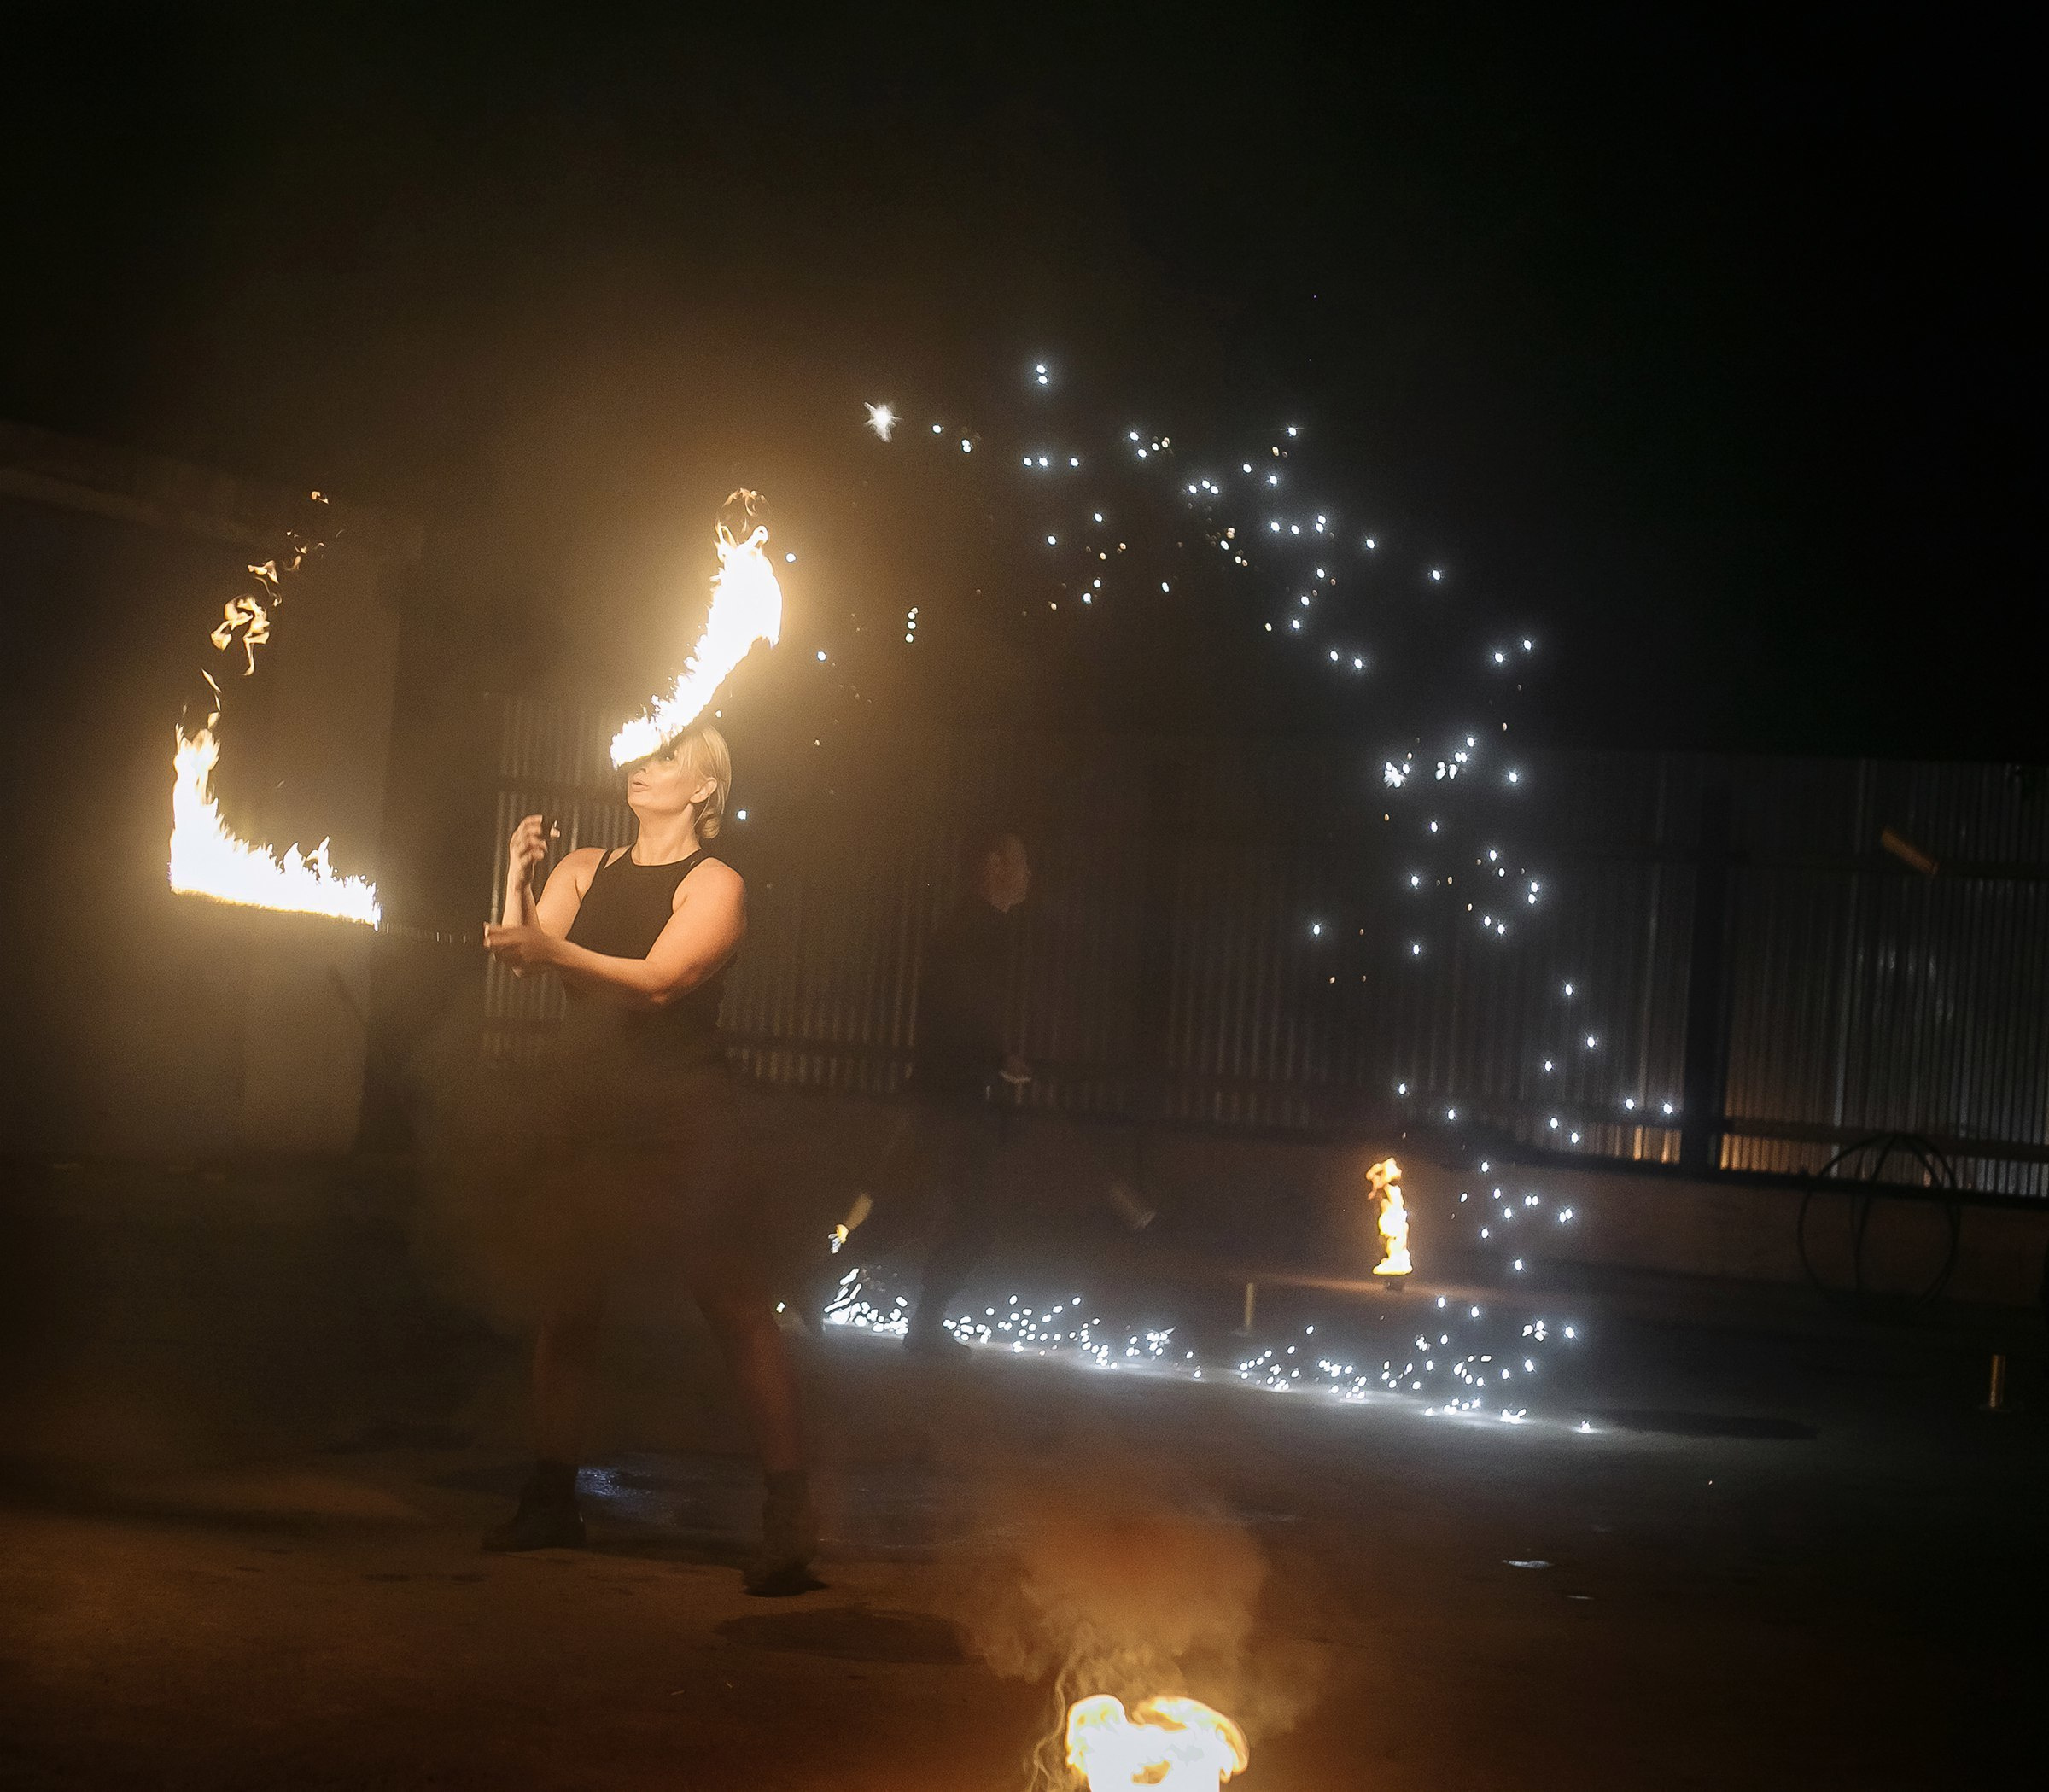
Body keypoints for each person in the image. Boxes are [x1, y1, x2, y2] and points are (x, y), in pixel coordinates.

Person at [479, 722, 816, 1595]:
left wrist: (549, 948)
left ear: (704, 787)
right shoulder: (582, 868)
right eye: (642, 753)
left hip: (684, 1119)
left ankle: (789, 1516)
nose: (643, 766)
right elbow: (526, 958)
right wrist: (518, 881)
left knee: (735, 1305)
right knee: (569, 1303)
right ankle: (550, 1498)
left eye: (667, 757)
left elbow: (660, 981)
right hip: (592, 1107)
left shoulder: (716, 883)